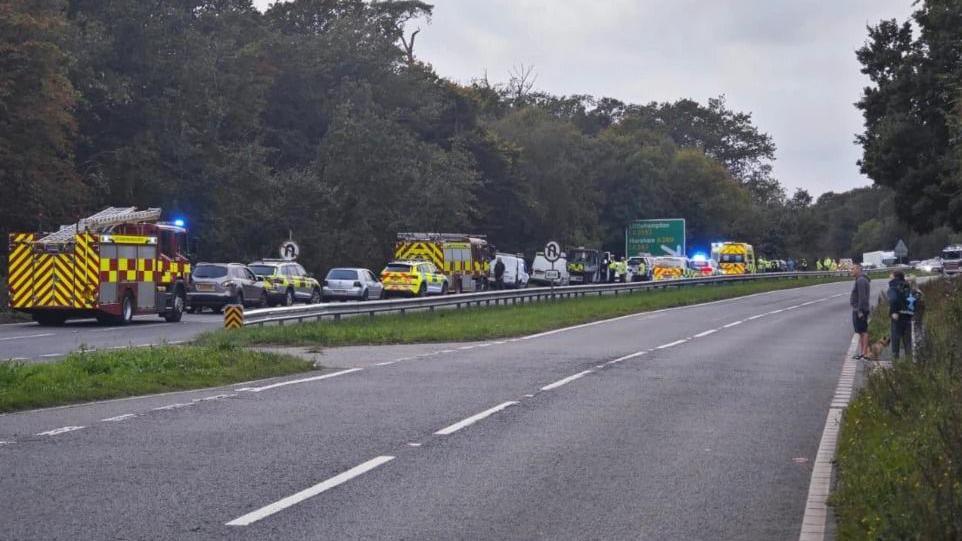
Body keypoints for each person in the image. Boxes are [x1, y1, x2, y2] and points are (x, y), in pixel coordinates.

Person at [886, 270, 914, 359]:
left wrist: (894, 312)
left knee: (896, 339)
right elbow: (911, 299)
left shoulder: (893, 286)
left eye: (891, 274)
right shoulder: (907, 285)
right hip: (907, 315)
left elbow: (893, 299)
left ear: (895, 276)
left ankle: (896, 362)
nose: (889, 275)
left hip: (897, 316)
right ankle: (909, 361)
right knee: (907, 341)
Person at [850, 264, 871, 359]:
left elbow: (862, 297)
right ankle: (862, 352)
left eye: (853, 269)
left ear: (858, 269)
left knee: (863, 331)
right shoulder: (860, 280)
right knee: (860, 331)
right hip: (858, 309)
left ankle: (864, 352)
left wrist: (859, 311)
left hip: (860, 310)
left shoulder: (861, 280)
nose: (851, 271)